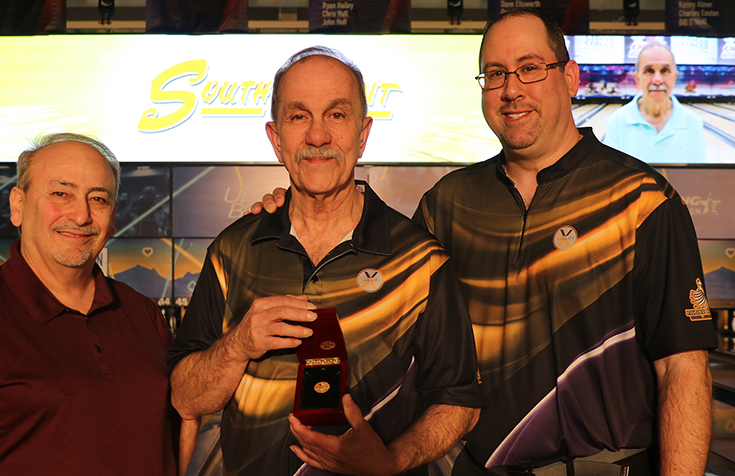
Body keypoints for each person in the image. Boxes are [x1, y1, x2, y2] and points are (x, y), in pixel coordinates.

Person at [253, 10, 718, 476]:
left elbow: (682, 367)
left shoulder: (642, 199)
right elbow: (378, 310)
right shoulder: (449, 205)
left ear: (571, 78)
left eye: (530, 68)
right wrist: (299, 207)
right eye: (495, 74)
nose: (511, 89)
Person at [168, 46, 483, 476]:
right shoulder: (232, 251)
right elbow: (185, 398)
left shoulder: (421, 261)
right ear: (276, 139)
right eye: (299, 117)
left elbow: (459, 402)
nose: (318, 137)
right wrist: (239, 344)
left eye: (336, 115)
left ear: (363, 133)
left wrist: (392, 460)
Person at [0, 133, 179, 475]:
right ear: (18, 206)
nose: (81, 215)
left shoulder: (142, 314)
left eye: (98, 199)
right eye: (60, 193)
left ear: (112, 218)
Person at [604, 42, 706, 163]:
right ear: (637, 79)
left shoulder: (692, 121)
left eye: (665, 70)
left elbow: (699, 178)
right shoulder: (616, 122)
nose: (657, 80)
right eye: (649, 71)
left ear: (674, 77)